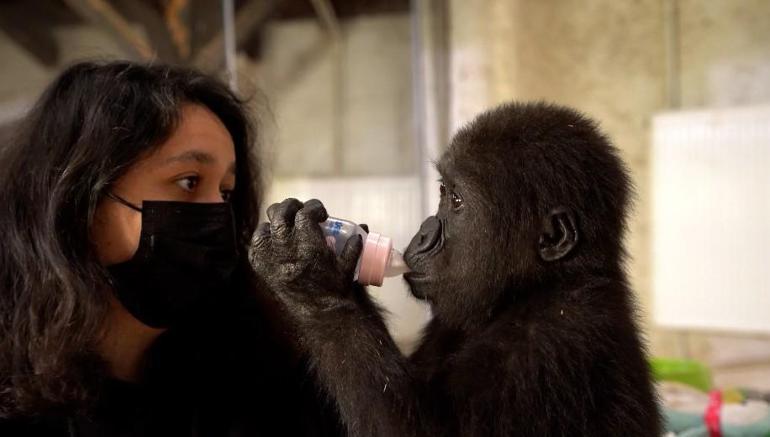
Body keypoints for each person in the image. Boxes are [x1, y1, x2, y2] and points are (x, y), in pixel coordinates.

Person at [0, 61, 344, 436]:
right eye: (188, 181)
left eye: (226, 192)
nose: (218, 214)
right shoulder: (15, 402)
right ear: (80, 202)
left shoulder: (252, 372)